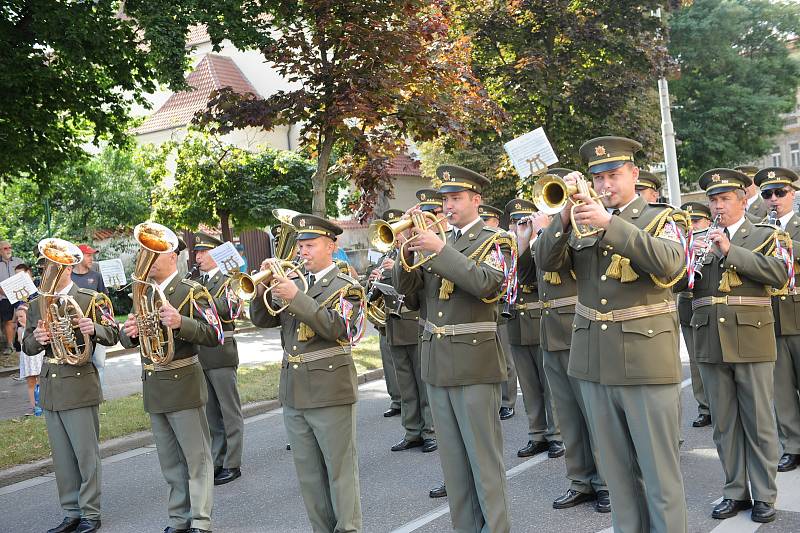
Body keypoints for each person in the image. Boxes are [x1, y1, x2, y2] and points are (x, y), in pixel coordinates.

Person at [537, 137, 688, 533]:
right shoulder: (579, 220)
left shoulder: (661, 218)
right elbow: (545, 264)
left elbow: (672, 267)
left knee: (659, 476)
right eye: (598, 177)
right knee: (618, 478)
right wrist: (565, 218)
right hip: (594, 363)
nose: (605, 185)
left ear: (634, 175)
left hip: (645, 362)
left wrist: (610, 224)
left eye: (613, 175)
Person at [394, 166, 514, 532]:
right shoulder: (435, 239)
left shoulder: (497, 240)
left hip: (476, 362)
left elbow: (488, 285)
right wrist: (405, 251)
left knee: (484, 464)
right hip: (437, 362)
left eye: (456, 198)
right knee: (454, 466)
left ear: (476, 200)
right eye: (445, 199)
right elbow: (410, 296)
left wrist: (440, 249)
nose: (448, 206)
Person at [679, 168, 788, 523]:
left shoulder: (764, 234)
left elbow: (779, 274)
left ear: (743, 200)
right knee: (724, 423)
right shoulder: (699, 238)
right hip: (710, 339)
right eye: (713, 200)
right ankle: (735, 491)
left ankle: (765, 495)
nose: (717, 206)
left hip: (751, 338)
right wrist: (684, 260)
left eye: (725, 199)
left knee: (758, 421)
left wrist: (731, 250)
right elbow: (679, 286)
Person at [250, 214, 365, 533]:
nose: (302, 251)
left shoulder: (348, 287)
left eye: (310, 245)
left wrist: (295, 297)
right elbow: (263, 320)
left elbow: (341, 328)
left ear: (331, 246)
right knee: (309, 475)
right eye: (300, 245)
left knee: (340, 472)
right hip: (295, 390)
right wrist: (261, 288)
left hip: (330, 390)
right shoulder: (294, 282)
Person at [120, 233, 221, 533]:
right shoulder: (144, 294)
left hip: (183, 383)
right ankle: (179, 519)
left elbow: (216, 334)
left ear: (172, 255)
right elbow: (129, 339)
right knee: (169, 462)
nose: (147, 259)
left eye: (154, 253)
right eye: (144, 253)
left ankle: (201, 521)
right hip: (155, 385)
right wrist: (131, 332)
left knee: (197, 460)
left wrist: (182, 323)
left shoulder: (192, 291)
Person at [529, 169, 612, 514]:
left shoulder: (590, 224)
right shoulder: (554, 230)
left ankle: (607, 482)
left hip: (580, 329)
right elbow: (536, 264)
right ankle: (580, 480)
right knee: (567, 415)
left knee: (594, 414)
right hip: (551, 333)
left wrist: (576, 212)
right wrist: (553, 221)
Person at [23, 245, 118, 533]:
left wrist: (94, 329)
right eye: (44, 267)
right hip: (52, 384)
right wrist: (38, 338)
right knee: (62, 458)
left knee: (85, 455)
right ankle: (71, 512)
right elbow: (27, 345)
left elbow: (113, 334)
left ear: (65, 268)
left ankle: (90, 513)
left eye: (52, 266)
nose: (46, 272)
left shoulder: (90, 297)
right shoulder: (38, 302)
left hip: (78, 382)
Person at [502, 198, 563, 459]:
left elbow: (532, 274)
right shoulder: (506, 248)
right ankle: (536, 433)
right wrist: (517, 243)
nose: (519, 226)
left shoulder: (541, 243)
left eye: (524, 221)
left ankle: (556, 434)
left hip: (539, 318)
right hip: (516, 321)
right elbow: (506, 279)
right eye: (516, 222)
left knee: (548, 383)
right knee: (528, 385)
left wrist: (530, 238)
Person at [374, 209, 437, 454]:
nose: (396, 236)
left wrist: (395, 268)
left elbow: (415, 285)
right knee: (405, 384)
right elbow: (380, 287)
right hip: (394, 324)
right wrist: (376, 280)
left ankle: (430, 430)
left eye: (398, 230)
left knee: (422, 382)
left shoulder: (418, 251)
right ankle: (412, 431)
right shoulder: (389, 256)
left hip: (413, 322)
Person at [755, 168, 800, 474]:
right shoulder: (758, 229)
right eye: (767, 194)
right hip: (772, 314)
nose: (773, 199)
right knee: (781, 389)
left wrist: (783, 247)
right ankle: (793, 445)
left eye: (779, 193)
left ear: (793, 193)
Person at [193, 232, 245, 486]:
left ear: (216, 255)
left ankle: (233, 462)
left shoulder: (229, 280)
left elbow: (230, 308)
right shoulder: (196, 281)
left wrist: (201, 300)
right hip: (201, 352)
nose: (198, 257)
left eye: (203, 252)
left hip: (222, 350)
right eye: (197, 253)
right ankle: (218, 459)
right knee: (211, 413)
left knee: (229, 410)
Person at [479, 204, 519, 420]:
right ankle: (495, 399)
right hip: (482, 307)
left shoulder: (502, 240)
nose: (485, 224)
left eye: (488, 220)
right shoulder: (481, 240)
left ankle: (508, 401)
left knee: (505, 358)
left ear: (495, 220)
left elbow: (506, 273)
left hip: (499, 305)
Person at [677, 202, 714, 428]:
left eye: (697, 221)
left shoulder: (715, 239)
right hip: (686, 304)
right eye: (688, 223)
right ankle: (704, 408)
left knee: (712, 360)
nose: (692, 226)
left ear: (708, 222)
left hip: (707, 306)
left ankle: (719, 405)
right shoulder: (680, 243)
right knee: (695, 360)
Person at [71, 244, 108, 388]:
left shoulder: (96, 276)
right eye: (88, 255)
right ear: (79, 256)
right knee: (79, 363)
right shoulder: (70, 276)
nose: (91, 258)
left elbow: (104, 302)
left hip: (95, 327)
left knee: (99, 362)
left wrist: (107, 322)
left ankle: (100, 393)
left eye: (92, 255)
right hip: (75, 328)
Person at [14, 263, 42, 414]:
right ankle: (34, 405)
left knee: (42, 376)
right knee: (31, 378)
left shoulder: (38, 291)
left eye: (22, 275)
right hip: (26, 337)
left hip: (39, 335)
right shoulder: (18, 296)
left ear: (29, 274)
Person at [0, 240, 24, 355]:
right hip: (4, 298)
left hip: (20, 296)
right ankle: (10, 346)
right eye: (5, 248)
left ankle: (23, 345)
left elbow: (26, 275)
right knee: (9, 321)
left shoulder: (19, 261)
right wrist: (6, 293)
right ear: (0, 251)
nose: (9, 250)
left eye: (10, 247)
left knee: (22, 319)